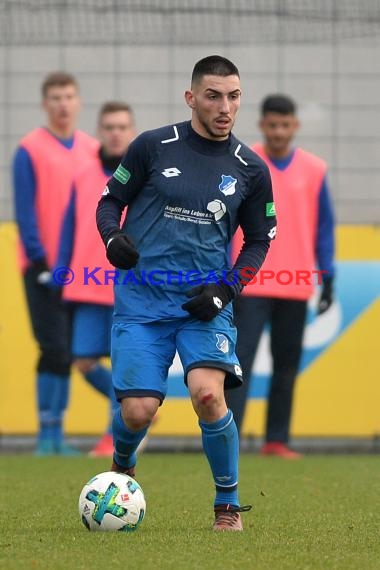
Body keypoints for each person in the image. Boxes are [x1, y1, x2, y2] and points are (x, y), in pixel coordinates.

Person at [96, 55, 277, 531]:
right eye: (214, 95)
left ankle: (227, 506)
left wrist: (226, 288)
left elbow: (259, 239)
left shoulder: (250, 169)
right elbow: (110, 200)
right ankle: (122, 461)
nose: (225, 107)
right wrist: (113, 238)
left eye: (234, 96)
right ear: (191, 96)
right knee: (138, 412)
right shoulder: (153, 147)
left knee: (206, 396)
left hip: (205, 302)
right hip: (143, 299)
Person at [226, 94, 335, 458]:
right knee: (238, 364)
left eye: (284, 125)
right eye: (272, 125)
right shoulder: (245, 162)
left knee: (286, 366)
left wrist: (327, 277)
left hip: (295, 281)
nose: (277, 131)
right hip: (250, 279)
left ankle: (276, 440)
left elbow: (324, 228)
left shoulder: (315, 169)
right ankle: (229, 438)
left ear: (294, 126)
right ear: (262, 125)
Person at [13, 72, 99, 455]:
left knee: (72, 351)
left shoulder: (92, 150)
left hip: (81, 272)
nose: (63, 104)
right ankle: (47, 435)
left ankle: (57, 434)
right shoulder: (28, 150)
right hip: (43, 269)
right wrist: (42, 262)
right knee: (52, 348)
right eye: (55, 98)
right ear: (44, 104)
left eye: (68, 96)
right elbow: (26, 213)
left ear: (78, 101)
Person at [54, 101, 137, 457]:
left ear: (131, 132)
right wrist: (60, 270)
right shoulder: (84, 174)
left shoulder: (144, 174)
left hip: (129, 285)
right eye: (109, 127)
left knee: (123, 362)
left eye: (121, 126)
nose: (115, 133)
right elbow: (69, 226)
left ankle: (113, 435)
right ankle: (133, 411)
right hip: (87, 284)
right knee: (84, 361)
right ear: (100, 131)